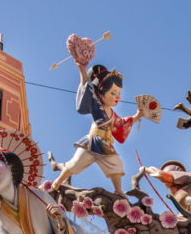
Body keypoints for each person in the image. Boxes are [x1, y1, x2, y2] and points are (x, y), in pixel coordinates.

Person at [49, 61, 142, 194]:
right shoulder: (97, 105)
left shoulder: (113, 115)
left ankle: (118, 191)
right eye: (113, 93)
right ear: (102, 94)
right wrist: (82, 69)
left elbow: (122, 123)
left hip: (106, 143)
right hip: (93, 141)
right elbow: (88, 88)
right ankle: (57, 182)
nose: (117, 97)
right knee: (75, 164)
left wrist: (138, 115)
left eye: (119, 93)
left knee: (116, 165)